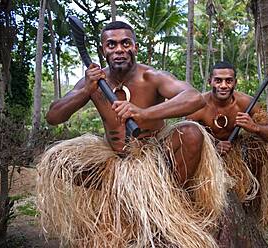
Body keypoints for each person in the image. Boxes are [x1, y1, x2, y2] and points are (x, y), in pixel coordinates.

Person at [37, 21, 228, 248]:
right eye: (112, 44)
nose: (119, 49)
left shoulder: (151, 76)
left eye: (125, 43)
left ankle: (170, 202)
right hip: (114, 164)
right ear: (103, 50)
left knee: (191, 133)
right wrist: (87, 90)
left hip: (155, 161)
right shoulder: (93, 81)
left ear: (135, 47)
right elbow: (53, 117)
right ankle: (122, 197)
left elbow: (194, 98)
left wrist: (145, 114)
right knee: (58, 160)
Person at [186, 61, 268, 228]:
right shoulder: (198, 106)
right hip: (206, 158)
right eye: (218, 80)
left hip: (236, 155)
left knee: (259, 149)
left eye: (228, 81)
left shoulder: (244, 103)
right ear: (210, 81)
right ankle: (197, 208)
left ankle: (251, 204)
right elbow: (185, 137)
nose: (223, 85)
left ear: (235, 82)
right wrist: (212, 146)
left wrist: (255, 127)